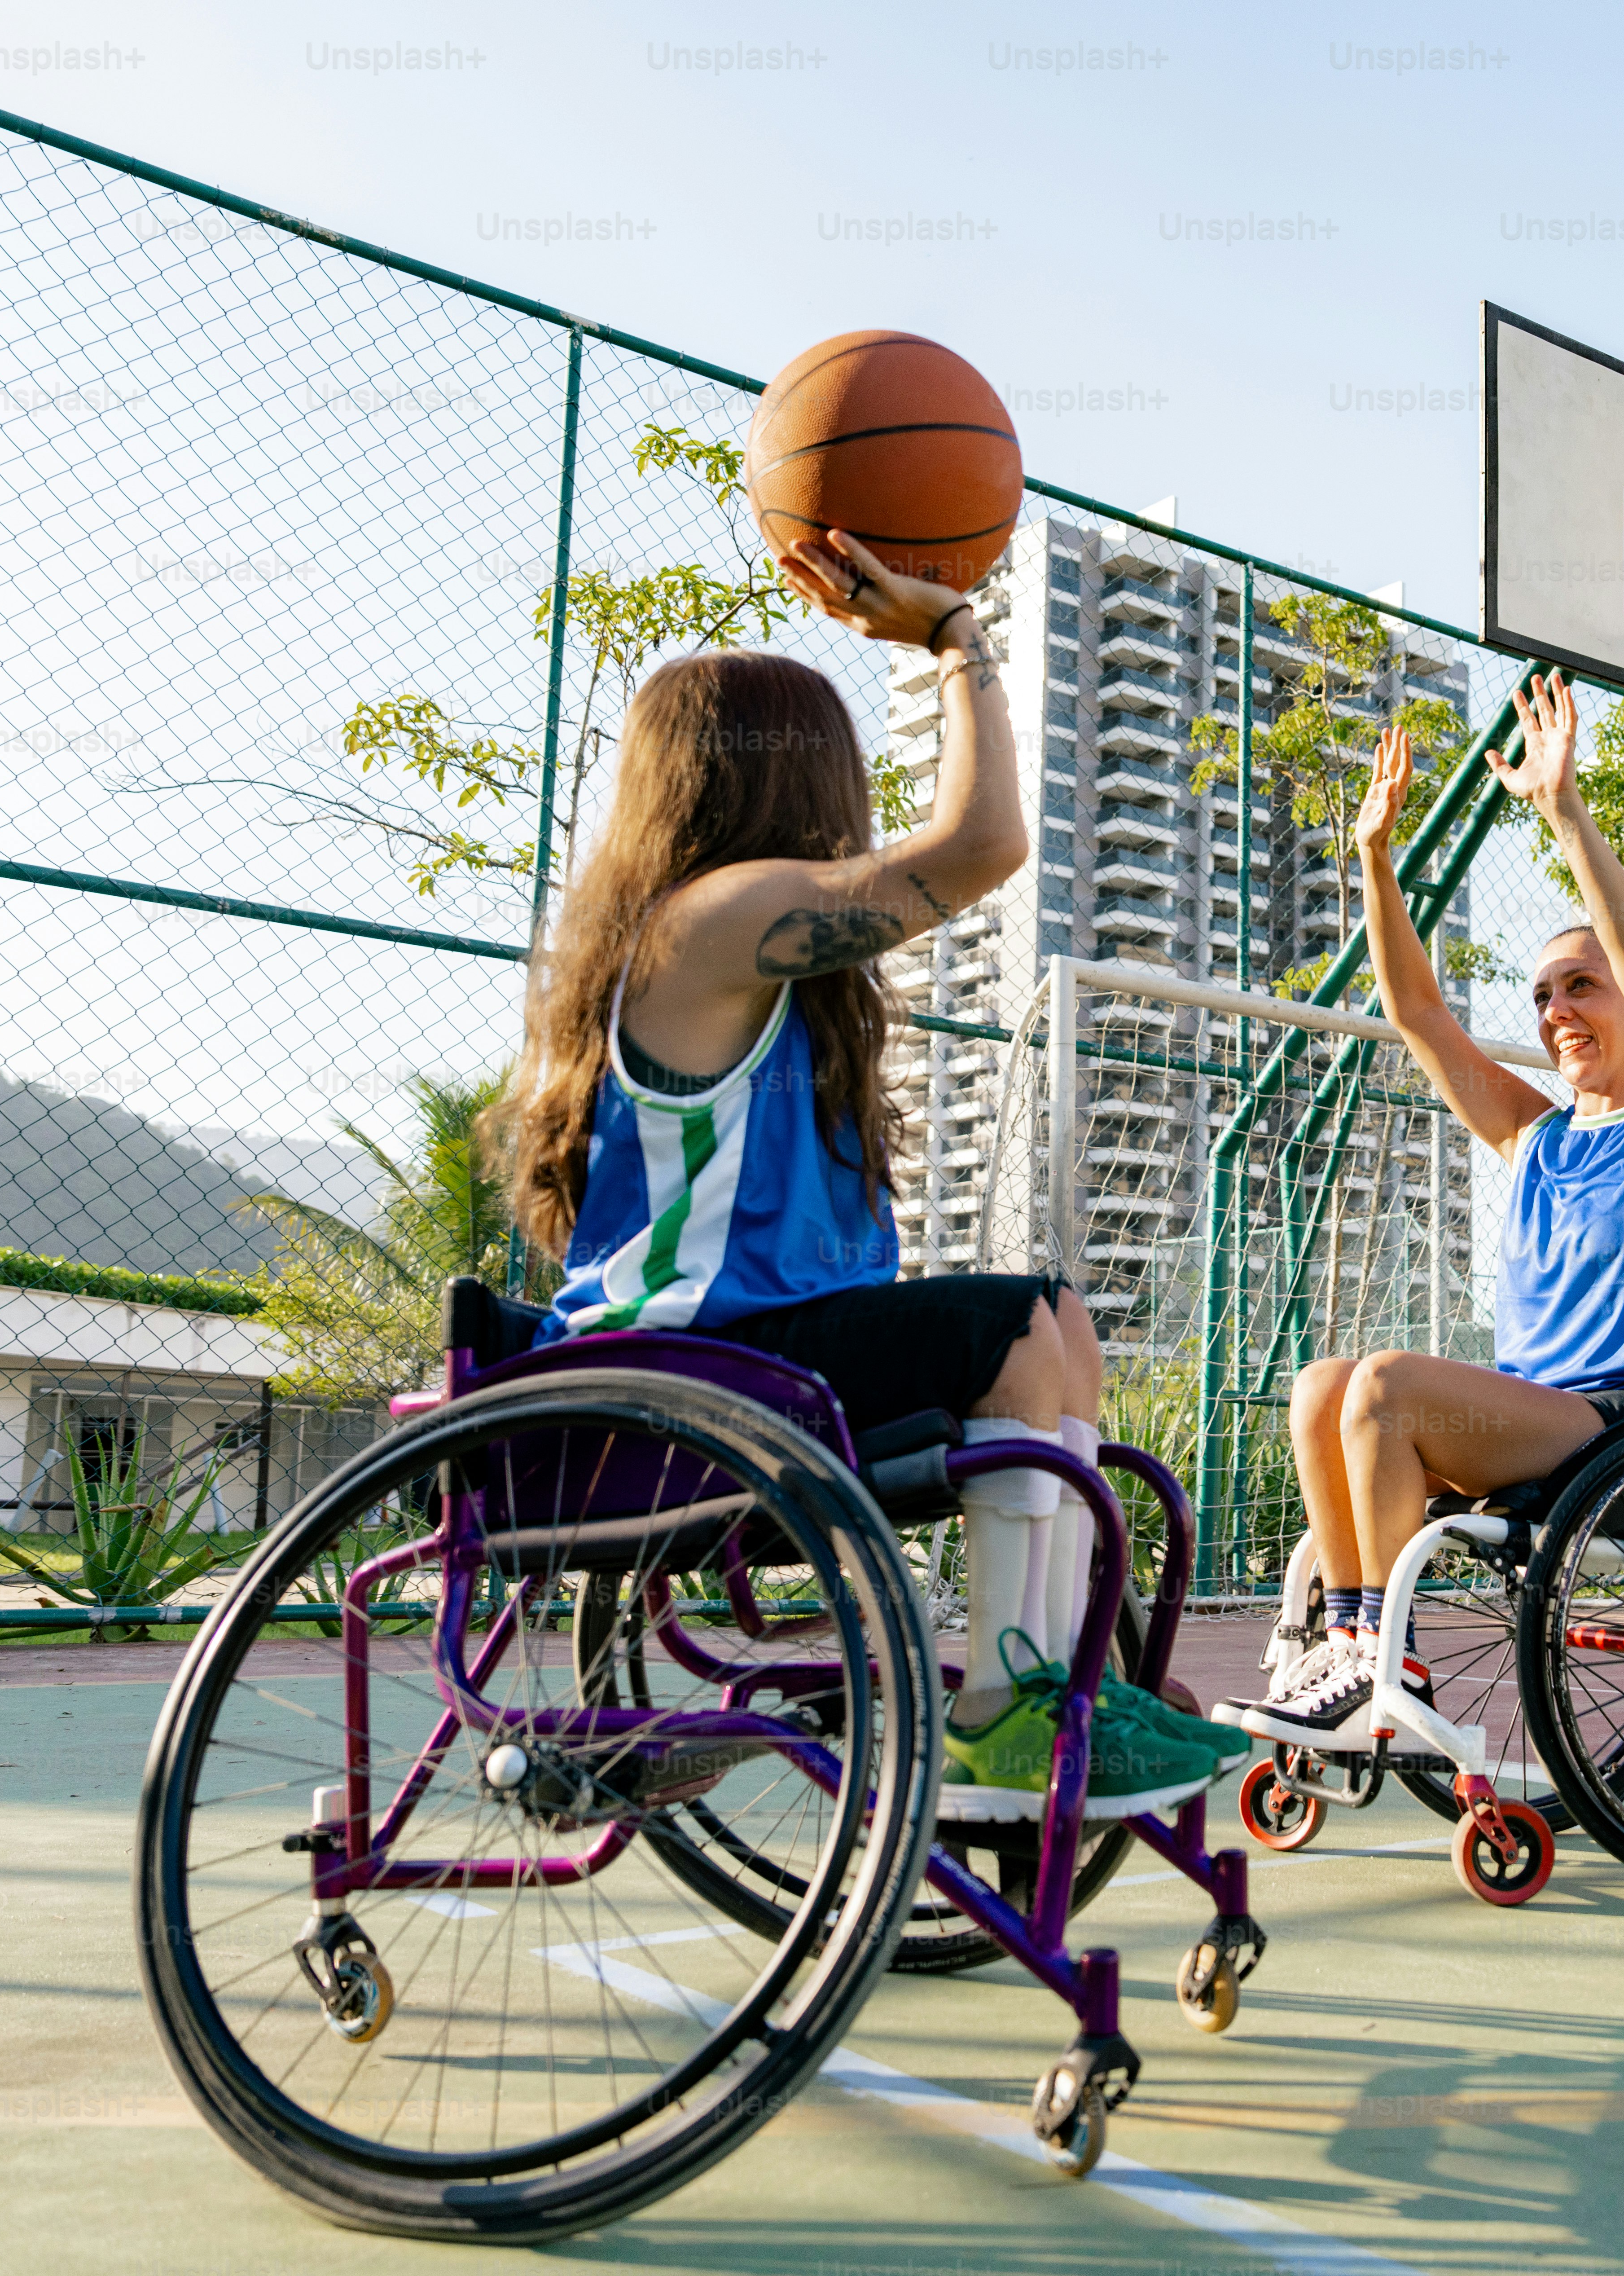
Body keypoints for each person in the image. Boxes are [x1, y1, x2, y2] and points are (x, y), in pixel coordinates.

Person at [489, 528, 1244, 1805]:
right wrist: (955, 639)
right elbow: (984, 844)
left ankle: (1058, 1685)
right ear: (789, 780)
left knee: (1054, 1318)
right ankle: (1010, 1705)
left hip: (739, 1365)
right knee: (1016, 1320)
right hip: (697, 1380)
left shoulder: (723, 947)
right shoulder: (710, 921)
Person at [1216, 671, 1624, 1747]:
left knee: (1386, 1388)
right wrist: (1372, 857)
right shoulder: (1537, 1136)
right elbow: (1416, 1012)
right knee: (1326, 1386)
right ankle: (1347, 1644)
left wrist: (1567, 817)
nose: (1554, 1009)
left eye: (1579, 987)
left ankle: (1373, 1653)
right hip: (1527, 1421)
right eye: (1543, 993)